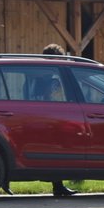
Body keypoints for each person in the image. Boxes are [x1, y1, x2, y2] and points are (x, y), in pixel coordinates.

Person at [40, 43, 75, 198]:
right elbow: (54, 99)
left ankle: (58, 185)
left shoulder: (42, 77)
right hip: (51, 118)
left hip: (52, 117)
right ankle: (58, 185)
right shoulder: (49, 80)